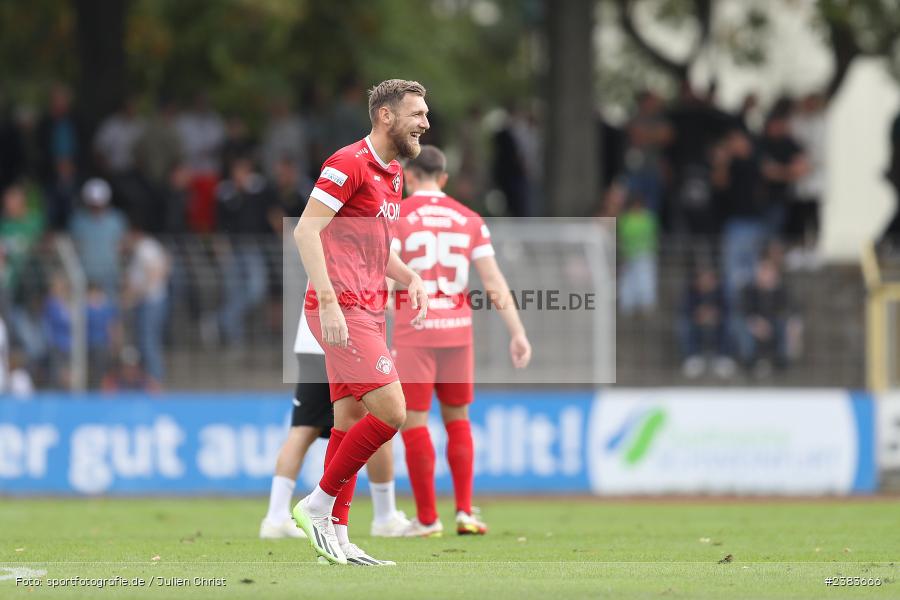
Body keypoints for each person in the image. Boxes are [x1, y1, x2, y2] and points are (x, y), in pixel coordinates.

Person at [290, 79, 430, 566]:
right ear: (385, 116)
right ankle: (317, 504)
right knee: (393, 411)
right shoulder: (347, 163)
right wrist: (327, 302)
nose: (425, 123)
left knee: (349, 423)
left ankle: (340, 534)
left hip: (368, 308)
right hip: (344, 308)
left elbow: (375, 247)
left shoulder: (393, 175)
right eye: (417, 113)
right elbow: (306, 229)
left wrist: (407, 274)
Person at [391, 145, 532, 537]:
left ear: (409, 176)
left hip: (414, 330)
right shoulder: (469, 219)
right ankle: (466, 511)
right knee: (458, 420)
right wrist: (517, 332)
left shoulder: (399, 214)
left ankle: (427, 519)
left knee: (415, 422)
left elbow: (386, 280)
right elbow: (492, 281)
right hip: (457, 331)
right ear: (444, 178)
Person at [260, 307, 411, 539]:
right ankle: (384, 515)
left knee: (303, 430)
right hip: (346, 335)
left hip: (311, 341)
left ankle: (276, 515)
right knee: (380, 417)